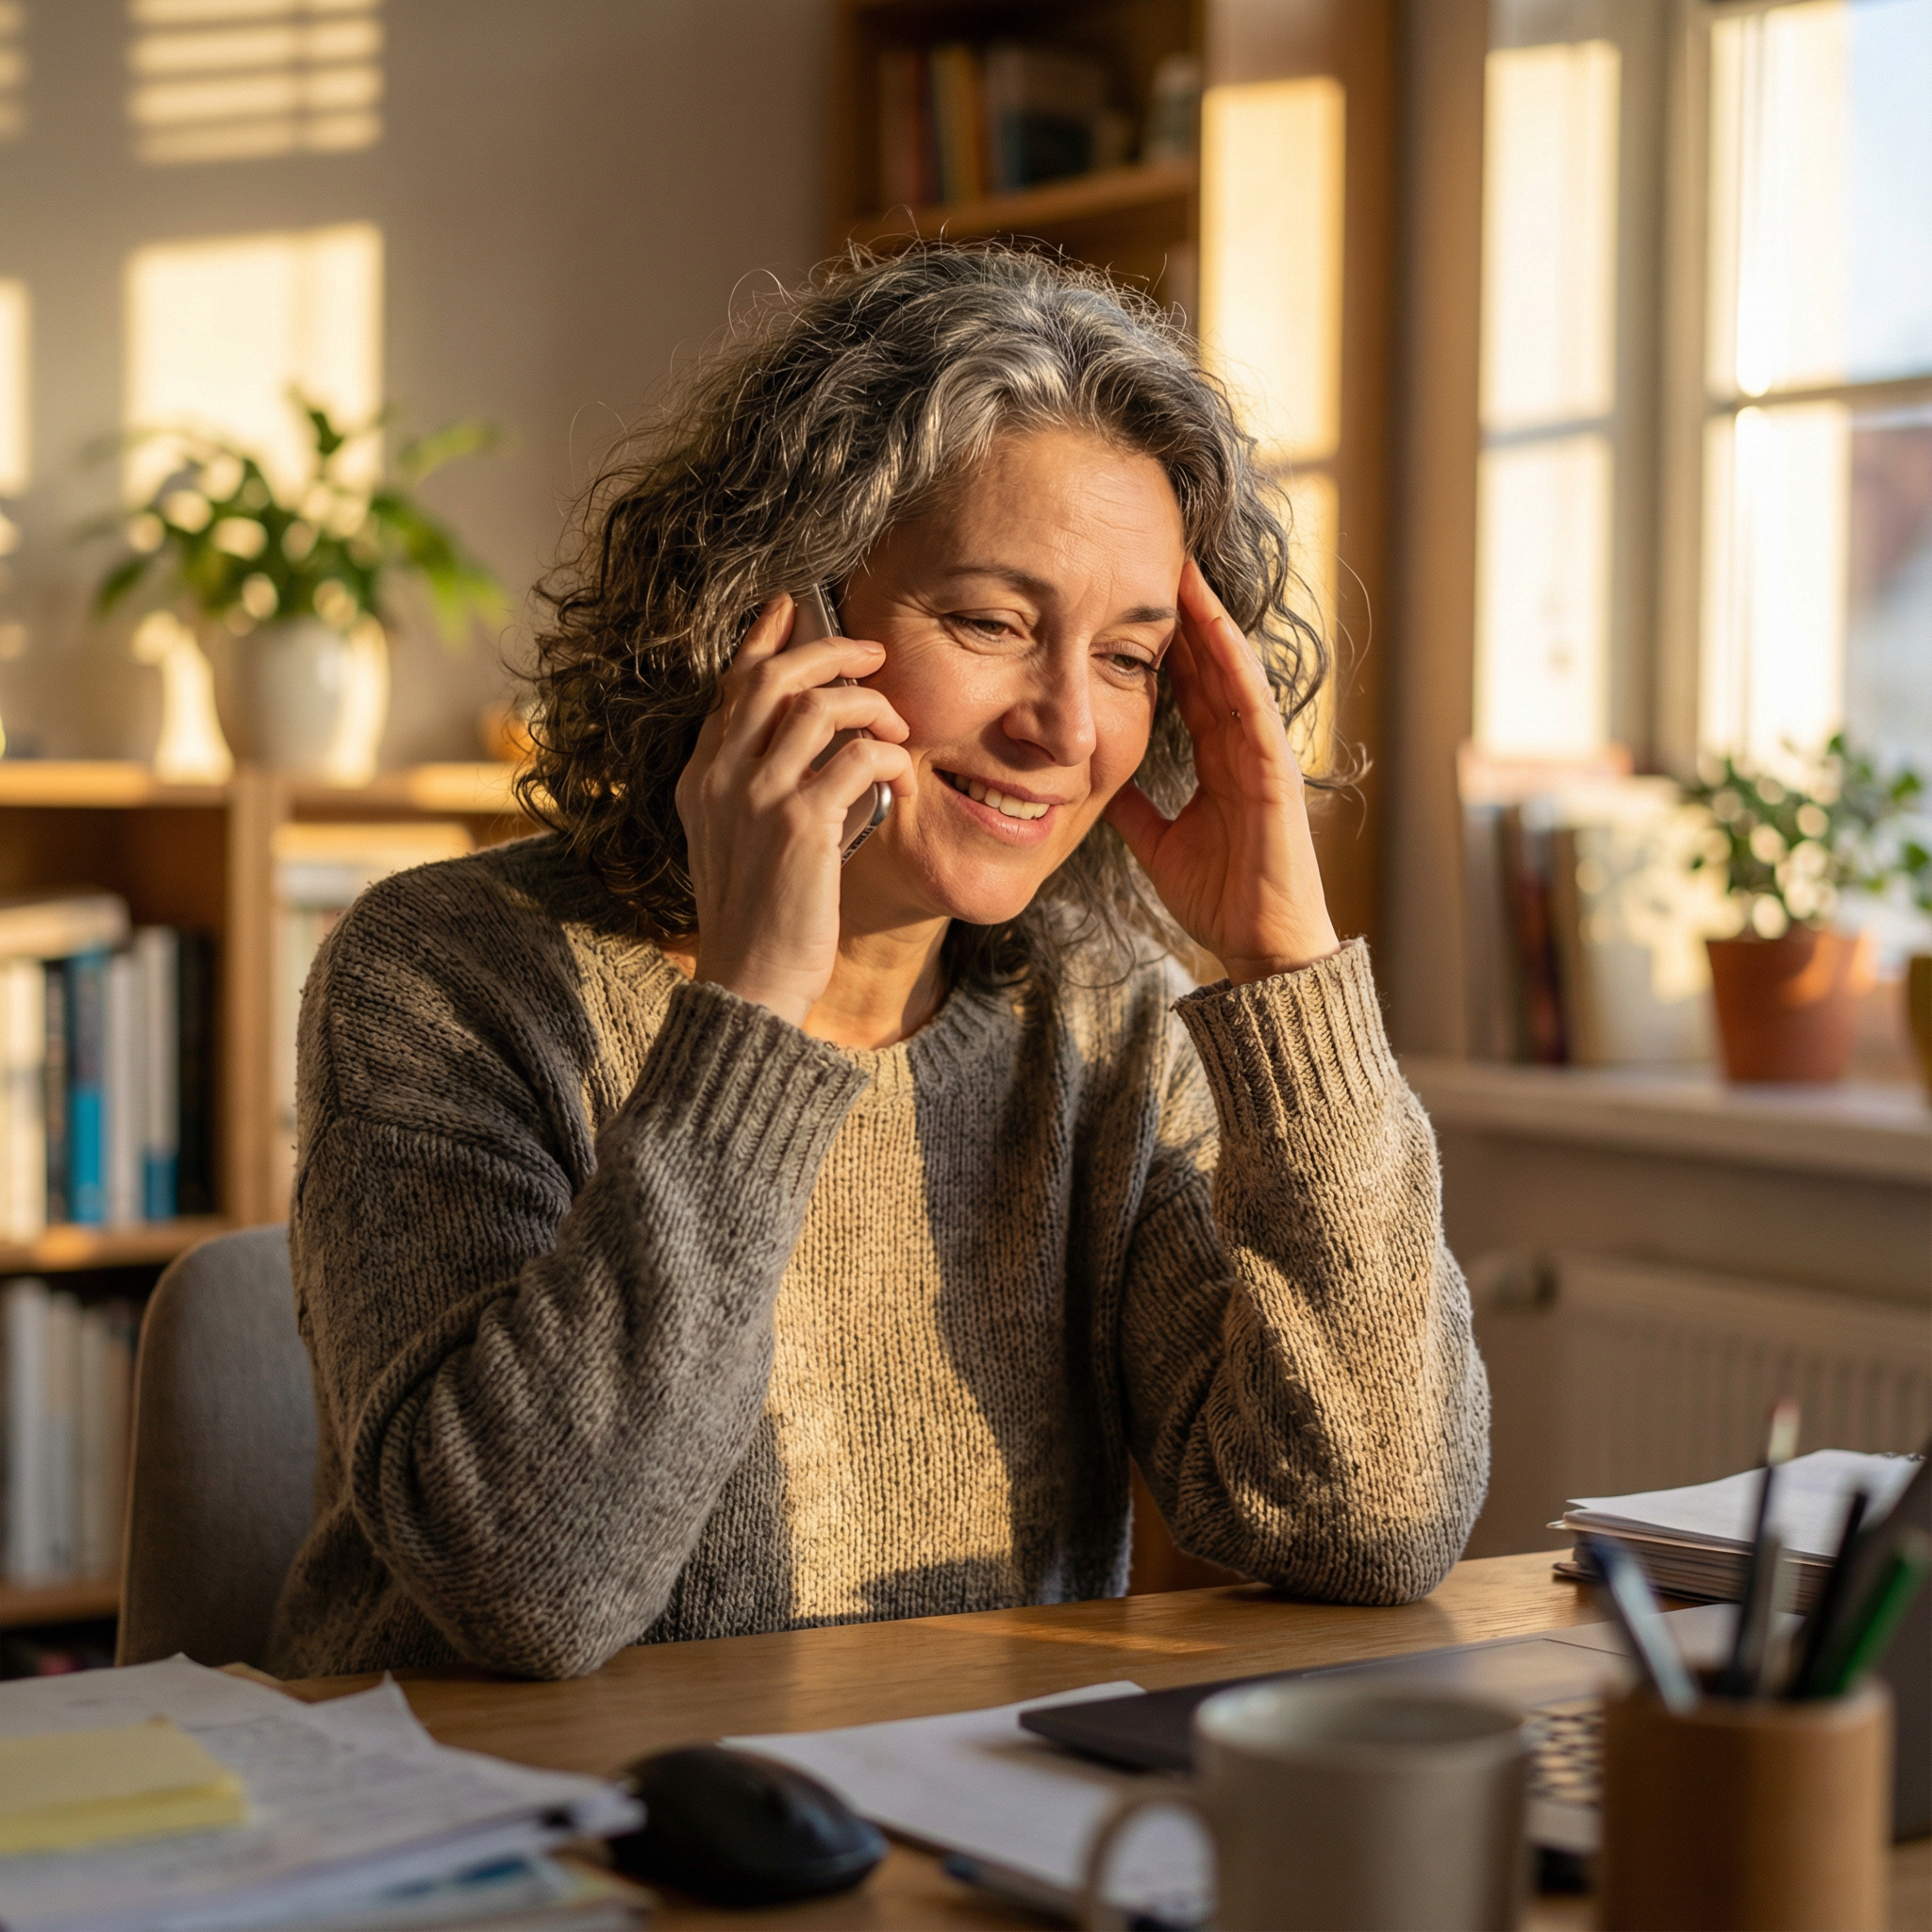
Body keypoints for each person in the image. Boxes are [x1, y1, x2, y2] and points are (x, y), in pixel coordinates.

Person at [267, 245, 1489, 1682]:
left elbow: (1372, 1522)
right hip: (517, 1847)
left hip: (945, 1845)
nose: (1066, 730)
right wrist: (752, 1014)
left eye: (1128, 657)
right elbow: (533, 1588)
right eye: (990, 622)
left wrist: (1288, 972)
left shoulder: (1108, 1029)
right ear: (778, 611)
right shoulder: (449, 980)